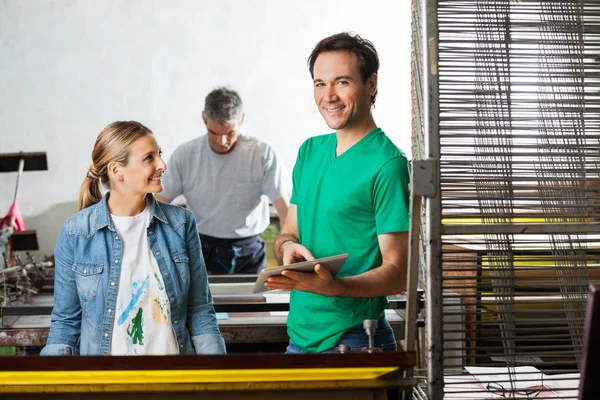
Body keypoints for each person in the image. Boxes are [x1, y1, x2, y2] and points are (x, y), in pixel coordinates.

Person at [271, 32, 411, 354]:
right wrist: (288, 246)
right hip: (299, 338)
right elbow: (288, 231)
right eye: (320, 83)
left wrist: (335, 287)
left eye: (342, 82)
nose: (329, 96)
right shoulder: (310, 152)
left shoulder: (388, 164)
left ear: (371, 84)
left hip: (354, 341)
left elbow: (397, 273)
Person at [41, 121, 226, 356]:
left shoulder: (181, 224)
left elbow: (200, 311)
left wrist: (215, 376)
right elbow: (66, 324)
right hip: (106, 384)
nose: (162, 164)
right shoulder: (76, 233)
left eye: (159, 154)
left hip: (176, 379)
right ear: (116, 171)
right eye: (149, 158)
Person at [157, 87, 290, 275]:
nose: (222, 141)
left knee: (250, 305)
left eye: (230, 133)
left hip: (248, 252)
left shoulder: (262, 154)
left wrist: (287, 246)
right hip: (200, 248)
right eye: (214, 133)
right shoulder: (185, 155)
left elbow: (285, 208)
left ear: (241, 120)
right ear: (204, 119)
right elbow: (159, 202)